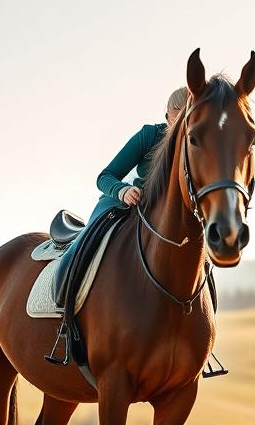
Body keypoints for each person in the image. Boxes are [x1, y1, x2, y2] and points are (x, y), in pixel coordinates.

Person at [54, 86, 188, 304]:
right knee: (85, 242)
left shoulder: (194, 147)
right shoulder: (150, 135)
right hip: (119, 204)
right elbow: (105, 176)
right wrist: (122, 191)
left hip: (163, 217)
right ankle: (65, 302)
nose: (179, 127)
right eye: (176, 119)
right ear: (168, 116)